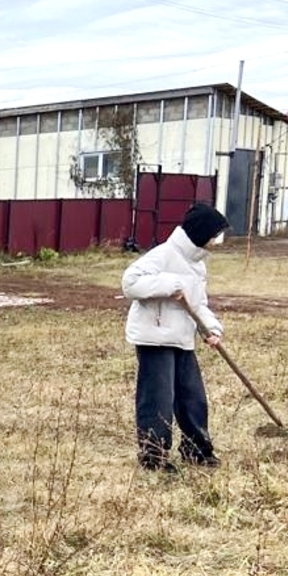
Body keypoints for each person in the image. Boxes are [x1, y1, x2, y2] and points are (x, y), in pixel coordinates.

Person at [121, 202, 230, 472]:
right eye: (213, 234)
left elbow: (198, 304)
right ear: (200, 232)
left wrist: (212, 329)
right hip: (155, 338)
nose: (215, 241)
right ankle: (154, 458)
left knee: (193, 396)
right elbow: (130, 282)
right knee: (158, 398)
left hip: (181, 339)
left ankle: (197, 450)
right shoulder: (163, 255)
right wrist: (169, 285)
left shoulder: (197, 263)